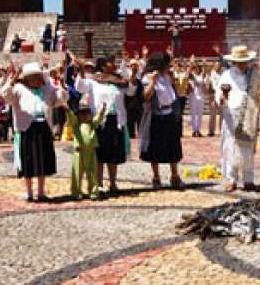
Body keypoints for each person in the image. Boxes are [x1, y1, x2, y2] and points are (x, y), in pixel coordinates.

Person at [2, 60, 66, 201]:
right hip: (27, 128)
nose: (36, 80)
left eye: (37, 77)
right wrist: (11, 81)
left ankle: (41, 191)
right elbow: (5, 95)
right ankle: (29, 192)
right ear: (26, 79)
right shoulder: (19, 89)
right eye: (32, 78)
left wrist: (61, 84)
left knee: (42, 160)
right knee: (28, 160)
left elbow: (60, 100)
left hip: (43, 127)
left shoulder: (46, 90)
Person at [77, 56, 135, 191]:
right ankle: (99, 182)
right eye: (111, 62)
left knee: (113, 153)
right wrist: (80, 68)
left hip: (116, 120)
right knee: (100, 153)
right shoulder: (93, 81)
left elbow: (131, 91)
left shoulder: (118, 80)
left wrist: (132, 74)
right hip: (100, 120)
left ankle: (113, 182)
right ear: (103, 66)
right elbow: (80, 86)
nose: (114, 64)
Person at [215, 45, 260, 192]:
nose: (242, 64)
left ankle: (248, 179)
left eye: (244, 61)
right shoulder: (227, 75)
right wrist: (222, 98)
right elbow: (219, 93)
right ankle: (232, 178)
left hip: (249, 113)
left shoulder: (255, 75)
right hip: (231, 115)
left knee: (248, 147)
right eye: (239, 61)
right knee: (230, 146)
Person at [137, 51, 185, 189]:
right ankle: (156, 176)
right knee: (155, 148)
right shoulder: (148, 77)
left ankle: (175, 175)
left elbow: (173, 93)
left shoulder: (167, 77)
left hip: (169, 113)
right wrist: (152, 81)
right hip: (156, 115)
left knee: (173, 146)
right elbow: (145, 96)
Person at [65, 100, 106, 200]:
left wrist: (102, 110)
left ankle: (93, 192)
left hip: (91, 152)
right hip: (79, 152)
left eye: (87, 113)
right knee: (77, 173)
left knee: (92, 173)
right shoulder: (76, 124)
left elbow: (99, 119)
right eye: (82, 113)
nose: (84, 115)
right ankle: (76, 192)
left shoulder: (92, 124)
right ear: (78, 115)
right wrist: (67, 110)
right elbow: (71, 117)